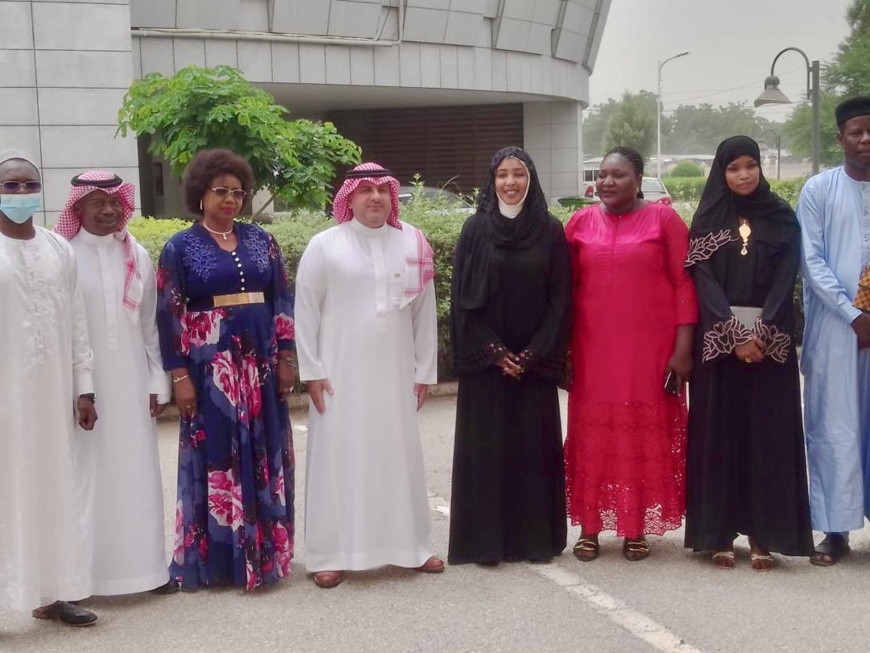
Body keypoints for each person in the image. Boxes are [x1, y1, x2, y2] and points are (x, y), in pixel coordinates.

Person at [295, 162, 442, 588]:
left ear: (392, 196)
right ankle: (330, 554)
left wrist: (424, 371)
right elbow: (304, 312)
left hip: (395, 372)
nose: (375, 197)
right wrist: (312, 371)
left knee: (398, 457)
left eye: (382, 189)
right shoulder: (325, 245)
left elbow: (422, 313)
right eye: (365, 190)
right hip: (338, 375)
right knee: (338, 459)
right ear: (349, 197)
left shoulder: (412, 241)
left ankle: (409, 547)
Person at [156, 149, 295, 590]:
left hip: (261, 365)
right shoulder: (179, 247)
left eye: (238, 193)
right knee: (217, 457)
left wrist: (287, 355)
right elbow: (169, 314)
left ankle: (264, 557)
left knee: (263, 452)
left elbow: (281, 299)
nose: (230, 200)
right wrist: (179, 376)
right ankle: (218, 563)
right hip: (208, 369)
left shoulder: (262, 241)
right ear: (200, 194)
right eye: (221, 191)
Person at [683, 136, 813, 571]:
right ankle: (717, 534)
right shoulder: (706, 220)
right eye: (734, 167)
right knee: (719, 434)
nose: (743, 174)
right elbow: (704, 282)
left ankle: (763, 535)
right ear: (721, 172)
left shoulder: (780, 217)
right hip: (720, 346)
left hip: (769, 345)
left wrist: (761, 331)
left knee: (766, 437)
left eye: (751, 165)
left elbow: (785, 280)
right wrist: (734, 334)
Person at [563, 147, 697, 562]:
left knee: (642, 435)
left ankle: (635, 528)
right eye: (601, 175)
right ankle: (590, 527)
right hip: (591, 351)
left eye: (617, 175)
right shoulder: (579, 223)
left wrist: (683, 349)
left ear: (639, 179)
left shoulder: (665, 221)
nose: (606, 182)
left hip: (650, 352)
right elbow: (563, 290)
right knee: (594, 436)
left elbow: (683, 285)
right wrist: (561, 348)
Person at [55, 170, 177, 594]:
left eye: (114, 202)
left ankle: (147, 571)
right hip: (81, 387)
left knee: (138, 473)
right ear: (78, 208)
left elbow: (148, 326)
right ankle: (84, 578)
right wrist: (78, 387)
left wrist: (157, 380)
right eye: (97, 203)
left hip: (130, 383)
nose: (108, 210)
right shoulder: (63, 255)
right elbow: (64, 329)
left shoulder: (136, 254)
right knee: (86, 477)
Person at [448, 146, 572, 565]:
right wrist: (497, 352)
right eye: (502, 175)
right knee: (486, 454)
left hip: (533, 367)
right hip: (488, 366)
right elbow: (463, 301)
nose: (511, 183)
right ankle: (486, 544)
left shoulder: (551, 230)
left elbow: (560, 298)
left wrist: (534, 353)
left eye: (519, 174)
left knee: (532, 455)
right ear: (491, 180)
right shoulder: (475, 229)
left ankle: (535, 541)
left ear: (531, 179)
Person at [0, 150, 99, 626]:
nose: (21, 193)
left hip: (51, 390)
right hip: (6, 394)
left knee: (53, 487)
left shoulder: (58, 249)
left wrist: (85, 387)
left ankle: (54, 592)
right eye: (10, 185)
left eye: (28, 184)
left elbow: (77, 324)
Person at [798, 95, 870, 566]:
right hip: (836, 332)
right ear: (840, 137)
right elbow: (811, 259)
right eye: (856, 132)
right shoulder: (819, 189)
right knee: (835, 425)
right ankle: (835, 530)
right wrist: (854, 315)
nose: (866, 140)